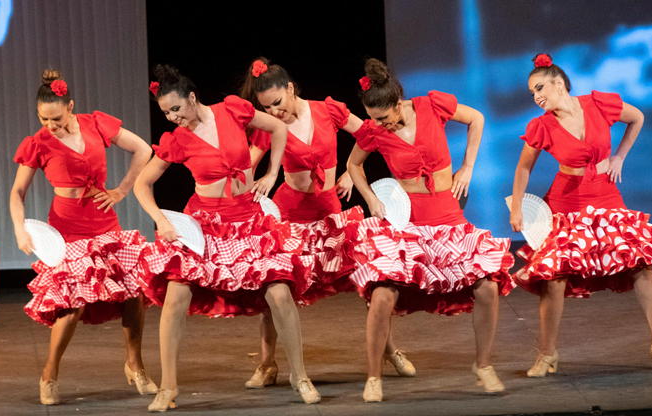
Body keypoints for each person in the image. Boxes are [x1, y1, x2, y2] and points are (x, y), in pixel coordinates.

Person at [134, 64, 321, 412]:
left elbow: (277, 128)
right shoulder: (176, 140)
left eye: (176, 108)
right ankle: (168, 386)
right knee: (176, 296)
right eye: (165, 113)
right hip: (203, 224)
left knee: (279, 292)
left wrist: (272, 172)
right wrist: (160, 219)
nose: (172, 117)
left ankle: (300, 375)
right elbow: (141, 184)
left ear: (192, 98)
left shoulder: (232, 109)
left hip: (248, 217)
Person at [238, 57, 416, 388]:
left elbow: (368, 134)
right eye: (267, 107)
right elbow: (248, 164)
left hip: (331, 211)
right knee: (275, 289)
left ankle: (389, 350)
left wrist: (351, 173)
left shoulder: (327, 110)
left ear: (290, 89)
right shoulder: (269, 126)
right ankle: (267, 364)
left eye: (277, 103)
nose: (274, 111)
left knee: (367, 283)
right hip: (290, 213)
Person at [345, 58, 514, 401]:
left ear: (397, 104)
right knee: (382, 294)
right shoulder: (374, 131)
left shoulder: (432, 105)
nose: (378, 124)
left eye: (383, 117)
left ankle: (483, 365)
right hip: (407, 218)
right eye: (373, 118)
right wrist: (371, 199)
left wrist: (467, 167)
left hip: (447, 214)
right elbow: (353, 164)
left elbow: (477, 119)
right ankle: (374, 375)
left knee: (486, 288)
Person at [510, 53, 652, 374]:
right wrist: (518, 207)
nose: (536, 97)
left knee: (642, 267)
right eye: (532, 92)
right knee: (555, 278)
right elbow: (523, 167)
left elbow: (637, 118)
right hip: (566, 202)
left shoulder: (598, 105)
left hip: (606, 196)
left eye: (540, 88)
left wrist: (619, 157)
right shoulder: (542, 125)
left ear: (559, 83)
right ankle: (547, 354)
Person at [11, 71, 157, 406]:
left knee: (133, 294)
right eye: (43, 118)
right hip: (66, 228)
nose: (50, 124)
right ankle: (49, 373)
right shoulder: (38, 143)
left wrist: (122, 190)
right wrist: (20, 229)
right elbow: (17, 193)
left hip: (105, 222)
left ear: (71, 107)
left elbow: (143, 149)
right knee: (72, 303)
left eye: (56, 117)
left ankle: (134, 365)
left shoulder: (95, 124)